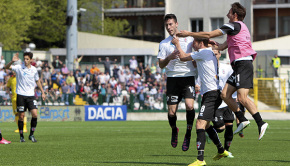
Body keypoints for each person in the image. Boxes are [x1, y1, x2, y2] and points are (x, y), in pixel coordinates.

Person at [176, 2, 268, 140]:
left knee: (242, 98)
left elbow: (209, 33)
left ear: (235, 15)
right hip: (239, 65)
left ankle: (261, 123)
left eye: (229, 12)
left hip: (243, 64)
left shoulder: (233, 25)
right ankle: (242, 119)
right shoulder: (240, 28)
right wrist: (215, 46)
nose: (227, 15)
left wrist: (188, 33)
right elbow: (224, 45)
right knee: (224, 94)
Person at [172, 37, 230, 166]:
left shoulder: (203, 52)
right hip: (212, 93)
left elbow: (182, 57)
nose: (192, 44)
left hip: (211, 94)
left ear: (200, 43)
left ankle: (200, 160)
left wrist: (177, 44)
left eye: (194, 42)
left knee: (199, 124)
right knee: (207, 125)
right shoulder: (207, 52)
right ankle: (221, 150)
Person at [158, 14, 197, 152]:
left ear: (176, 24)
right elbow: (161, 65)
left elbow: (199, 48)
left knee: (189, 105)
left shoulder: (189, 38)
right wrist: (169, 57)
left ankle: (188, 133)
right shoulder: (164, 43)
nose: (169, 27)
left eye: (171, 24)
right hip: (173, 79)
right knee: (172, 112)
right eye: (166, 25)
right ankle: (174, 130)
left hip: (188, 76)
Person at [5, 52, 46, 143]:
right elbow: (6, 67)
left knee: (35, 114)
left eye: (27, 59)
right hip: (21, 95)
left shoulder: (34, 70)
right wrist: (12, 61)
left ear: (31, 60)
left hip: (31, 96)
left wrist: (43, 92)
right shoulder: (19, 67)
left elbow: (37, 81)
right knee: (21, 116)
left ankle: (31, 135)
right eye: (25, 59)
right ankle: (21, 136)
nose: (26, 61)